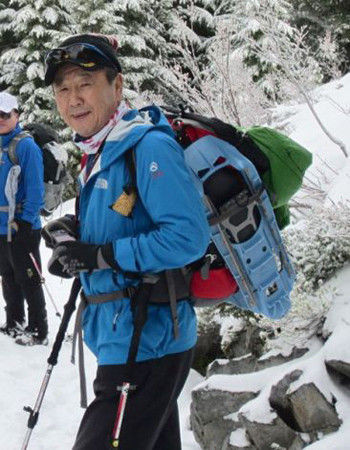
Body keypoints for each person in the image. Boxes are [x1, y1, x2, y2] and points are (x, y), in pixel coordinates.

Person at [43, 33, 210, 450]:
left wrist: (101, 255)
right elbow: (127, 221)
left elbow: (188, 237)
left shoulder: (148, 147)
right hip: (127, 336)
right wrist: (78, 237)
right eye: (63, 89)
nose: (73, 98)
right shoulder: (102, 152)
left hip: (145, 342)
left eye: (85, 84)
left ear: (116, 87)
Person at [0, 91, 48, 346]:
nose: (0, 119)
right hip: (1, 225)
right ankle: (14, 321)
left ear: (16, 115)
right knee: (7, 275)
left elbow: (35, 188)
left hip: (21, 225)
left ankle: (39, 329)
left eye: (5, 114)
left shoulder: (26, 145)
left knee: (28, 277)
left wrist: (27, 222)